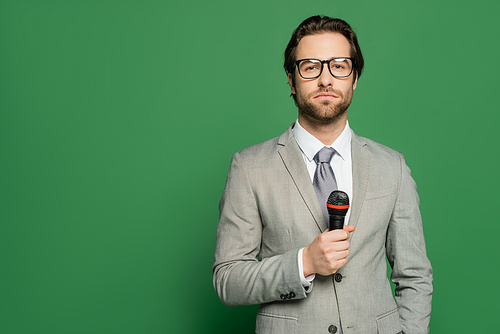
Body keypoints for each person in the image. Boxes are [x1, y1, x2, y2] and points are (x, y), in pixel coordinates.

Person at [213, 15, 432, 334]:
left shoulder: (392, 166)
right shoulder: (249, 168)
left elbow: (415, 276)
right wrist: (304, 263)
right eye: (311, 66)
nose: (326, 79)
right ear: (291, 80)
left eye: (339, 65)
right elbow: (228, 280)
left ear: (354, 78)